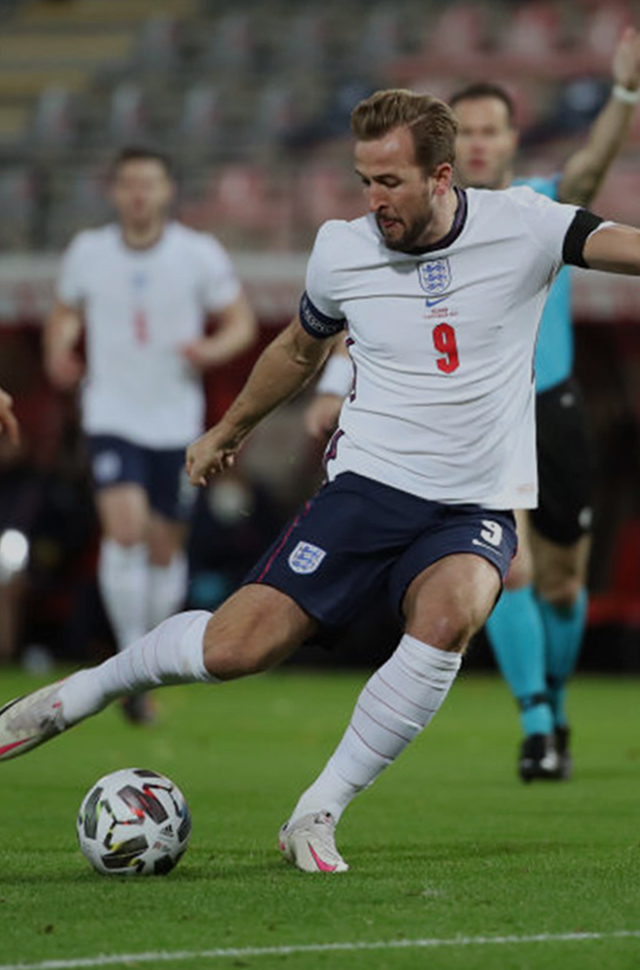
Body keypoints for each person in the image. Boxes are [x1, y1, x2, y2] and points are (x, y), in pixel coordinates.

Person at [2, 89, 640, 875]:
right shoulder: (342, 248)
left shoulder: (527, 225)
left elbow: (627, 245)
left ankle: (318, 810)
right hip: (366, 489)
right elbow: (298, 351)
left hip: (473, 500)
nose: (374, 201)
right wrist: (228, 429)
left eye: (390, 182)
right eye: (363, 180)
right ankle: (93, 687)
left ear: (442, 177)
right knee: (238, 650)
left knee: (456, 610)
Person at [305, 27, 640, 782]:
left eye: (494, 129)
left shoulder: (537, 209)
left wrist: (623, 91)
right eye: (471, 131)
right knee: (511, 570)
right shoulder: (410, 230)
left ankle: (553, 699)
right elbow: (361, 315)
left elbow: (592, 164)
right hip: (472, 427)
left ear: (512, 139)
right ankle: (536, 723)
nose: (483, 143)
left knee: (560, 581)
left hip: (551, 410)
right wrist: (333, 385)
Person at [43, 146, 256, 723]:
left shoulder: (197, 253)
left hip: (174, 421)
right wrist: (59, 347)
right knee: (126, 529)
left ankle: (144, 668)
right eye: (129, 184)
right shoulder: (89, 252)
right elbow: (63, 313)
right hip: (112, 413)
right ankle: (130, 663)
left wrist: (210, 348)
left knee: (164, 548)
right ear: (115, 192)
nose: (139, 194)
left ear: (166, 192)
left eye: (150, 184)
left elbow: (240, 323)